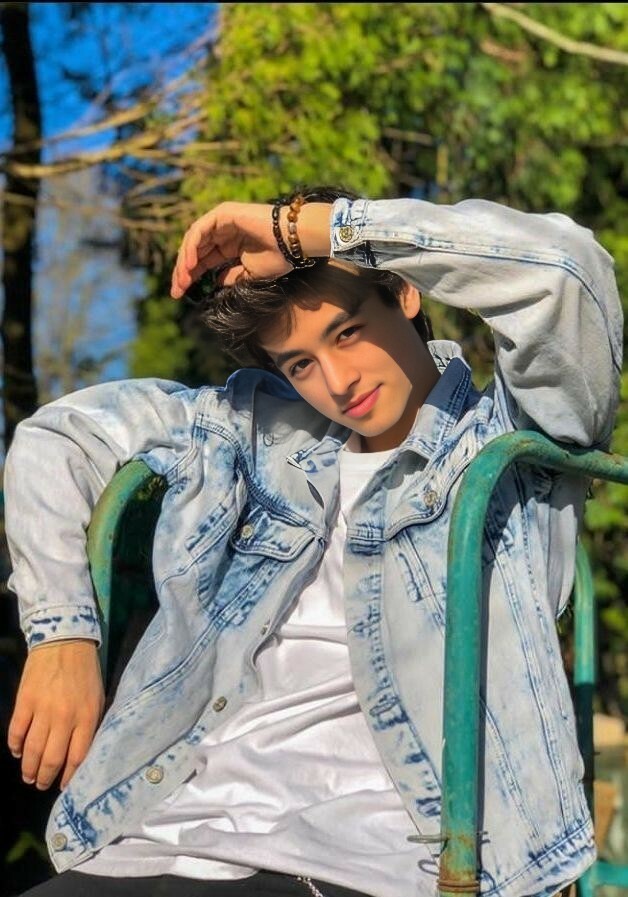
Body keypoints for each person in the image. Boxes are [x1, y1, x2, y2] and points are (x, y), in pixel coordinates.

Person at [4, 185, 623, 897]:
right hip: (169, 839)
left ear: (404, 291)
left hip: (376, 862)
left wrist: (308, 232)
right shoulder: (262, 434)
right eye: (300, 363)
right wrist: (62, 636)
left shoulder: (507, 448)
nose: (337, 381)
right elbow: (58, 436)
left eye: (347, 332)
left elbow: (565, 269)